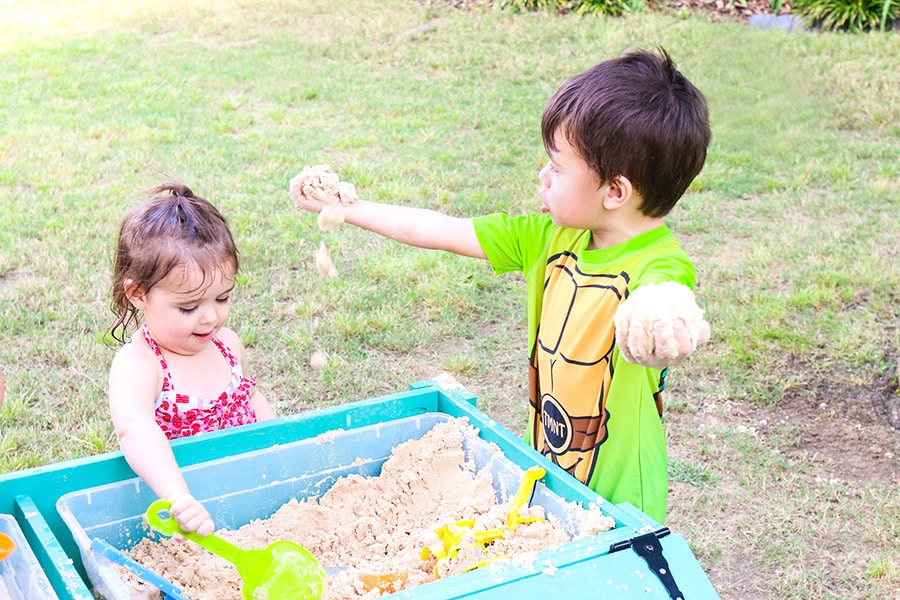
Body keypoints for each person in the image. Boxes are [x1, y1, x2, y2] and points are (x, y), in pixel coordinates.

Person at [292, 47, 711, 523]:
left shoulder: (659, 265)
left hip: (622, 496)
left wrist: (663, 324)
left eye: (558, 167)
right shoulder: (548, 238)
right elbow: (443, 231)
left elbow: (666, 306)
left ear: (615, 191)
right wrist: (347, 208)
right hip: (555, 468)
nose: (543, 175)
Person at [107, 182, 275, 535]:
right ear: (138, 294)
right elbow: (134, 429)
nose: (210, 318)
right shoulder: (141, 364)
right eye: (188, 307)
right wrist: (177, 497)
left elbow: (251, 398)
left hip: (247, 500)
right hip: (182, 513)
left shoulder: (228, 345)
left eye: (223, 298)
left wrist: (278, 445)